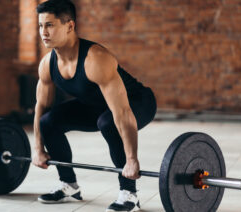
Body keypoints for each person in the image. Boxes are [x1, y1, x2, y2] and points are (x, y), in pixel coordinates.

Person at [32, 0, 157, 211]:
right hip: (96, 106)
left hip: (137, 102)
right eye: (41, 26)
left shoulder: (96, 59)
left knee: (107, 123)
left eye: (50, 25)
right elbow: (41, 107)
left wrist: (132, 159)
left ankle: (129, 194)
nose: (44, 32)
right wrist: (37, 147)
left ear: (70, 26)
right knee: (49, 121)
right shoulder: (47, 64)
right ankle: (69, 185)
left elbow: (122, 112)